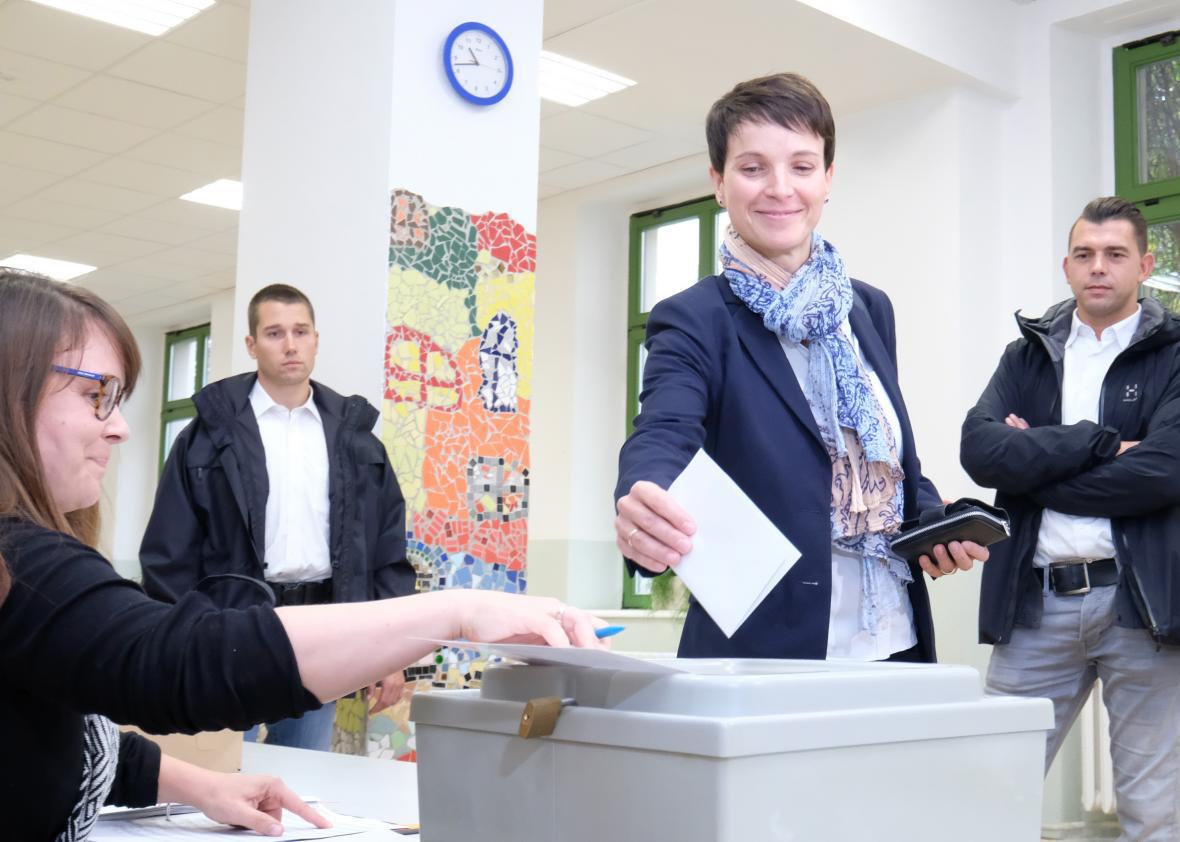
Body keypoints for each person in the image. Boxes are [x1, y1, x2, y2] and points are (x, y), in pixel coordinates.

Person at [0, 268, 604, 841]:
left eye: (119, 398)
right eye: (96, 394)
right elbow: (170, 650)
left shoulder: (355, 436)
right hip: (227, 630)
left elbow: (84, 736)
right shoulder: (22, 563)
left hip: (300, 625)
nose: (121, 428)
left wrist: (202, 785)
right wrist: (454, 613)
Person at [614, 73, 988, 662]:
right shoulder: (694, 318)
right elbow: (663, 432)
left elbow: (884, 454)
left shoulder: (868, 308)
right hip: (768, 648)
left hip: (894, 635)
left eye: (803, 166)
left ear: (828, 177)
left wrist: (934, 522)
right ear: (718, 181)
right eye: (753, 167)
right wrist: (645, 495)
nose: (780, 188)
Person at [960, 196, 1180, 841]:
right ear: (1066, 265)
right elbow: (981, 451)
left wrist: (1036, 470)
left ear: (1145, 263)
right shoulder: (1025, 356)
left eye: (1115, 255)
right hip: (1035, 606)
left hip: (1141, 608)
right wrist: (1100, 441)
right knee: (987, 793)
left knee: (1154, 811)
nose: (1098, 267)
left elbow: (1166, 471)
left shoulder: (1174, 354)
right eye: (1084, 254)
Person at [140, 283, 414, 751]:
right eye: (274, 333)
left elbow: (387, 548)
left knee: (303, 775)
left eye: (300, 331)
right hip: (229, 628)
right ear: (252, 345)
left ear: (315, 339)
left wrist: (392, 650)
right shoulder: (206, 437)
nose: (290, 345)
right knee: (224, 769)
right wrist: (179, 641)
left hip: (321, 628)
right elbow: (169, 550)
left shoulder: (356, 439)